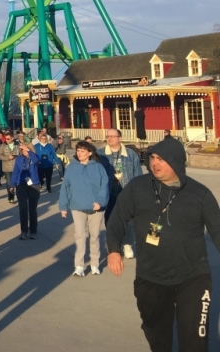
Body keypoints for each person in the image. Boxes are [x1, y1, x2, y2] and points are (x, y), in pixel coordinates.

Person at [106, 138, 220, 352]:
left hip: (193, 276)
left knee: (194, 339)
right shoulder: (137, 188)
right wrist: (113, 249)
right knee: (156, 336)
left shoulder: (200, 194)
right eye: (153, 158)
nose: (154, 163)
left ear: (175, 161)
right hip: (151, 276)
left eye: (161, 159)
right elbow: (117, 219)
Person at [59, 141, 109, 277]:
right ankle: (79, 266)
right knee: (80, 236)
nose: (79, 153)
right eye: (78, 150)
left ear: (90, 153)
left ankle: (94, 264)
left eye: (82, 151)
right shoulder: (72, 167)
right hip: (77, 207)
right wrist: (63, 206)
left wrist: (100, 202)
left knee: (95, 236)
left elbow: (104, 186)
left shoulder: (98, 167)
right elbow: (65, 187)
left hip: (96, 208)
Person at [99, 128, 143, 259]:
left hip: (126, 193)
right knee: (110, 221)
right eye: (108, 136)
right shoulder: (100, 154)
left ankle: (127, 244)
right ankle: (114, 247)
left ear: (120, 138)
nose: (110, 138)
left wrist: (137, 193)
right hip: (108, 194)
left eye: (113, 136)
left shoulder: (131, 154)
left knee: (128, 221)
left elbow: (138, 175)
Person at [10, 140, 41, 240]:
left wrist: (29, 152)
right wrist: (12, 185)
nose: (23, 151)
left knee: (32, 209)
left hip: (34, 185)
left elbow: (37, 162)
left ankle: (33, 231)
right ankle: (24, 231)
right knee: (23, 208)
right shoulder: (19, 159)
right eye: (22, 149)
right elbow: (15, 172)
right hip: (21, 185)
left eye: (25, 149)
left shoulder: (34, 157)